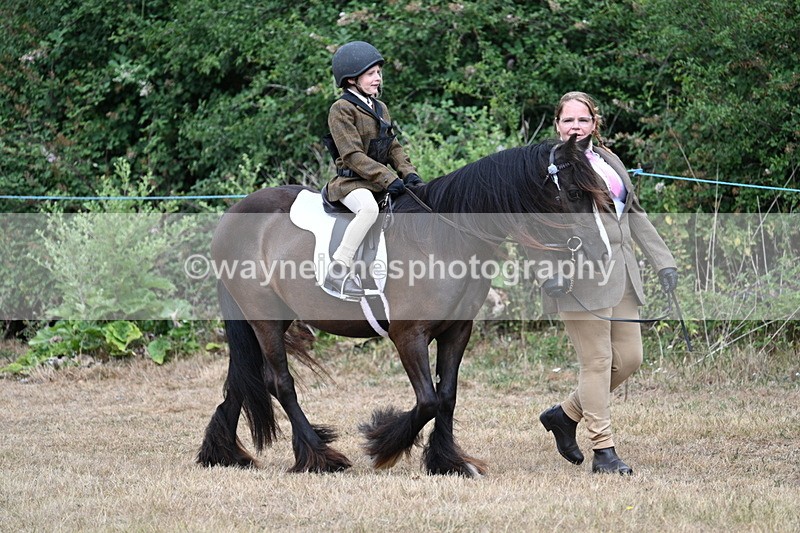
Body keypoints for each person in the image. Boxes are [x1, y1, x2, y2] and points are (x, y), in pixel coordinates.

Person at [538, 91, 679, 475]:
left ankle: (564, 415)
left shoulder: (609, 160)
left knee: (630, 359)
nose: (575, 127)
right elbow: (537, 226)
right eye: (568, 120)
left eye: (582, 120)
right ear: (557, 125)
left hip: (623, 273)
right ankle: (604, 451)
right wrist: (548, 271)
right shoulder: (548, 168)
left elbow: (632, 212)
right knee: (597, 363)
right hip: (578, 277)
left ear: (594, 123)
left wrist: (662, 260)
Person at [323, 41, 422, 298]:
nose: (378, 78)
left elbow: (393, 147)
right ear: (352, 79)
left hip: (378, 182)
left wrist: (408, 173)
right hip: (352, 183)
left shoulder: (380, 108)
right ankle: (338, 270)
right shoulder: (341, 109)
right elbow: (353, 155)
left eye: (379, 72)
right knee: (368, 210)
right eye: (371, 74)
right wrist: (388, 178)